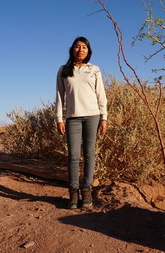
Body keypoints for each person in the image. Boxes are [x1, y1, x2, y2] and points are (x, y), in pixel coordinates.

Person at [55, 36, 108, 209]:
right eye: (77, 47)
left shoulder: (94, 69)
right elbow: (59, 97)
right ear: (72, 49)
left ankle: (86, 192)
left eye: (84, 47)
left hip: (93, 116)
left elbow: (101, 94)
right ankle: (73, 193)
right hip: (73, 118)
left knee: (90, 154)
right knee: (73, 156)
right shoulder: (64, 70)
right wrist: (59, 118)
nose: (80, 50)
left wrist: (104, 117)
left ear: (88, 51)